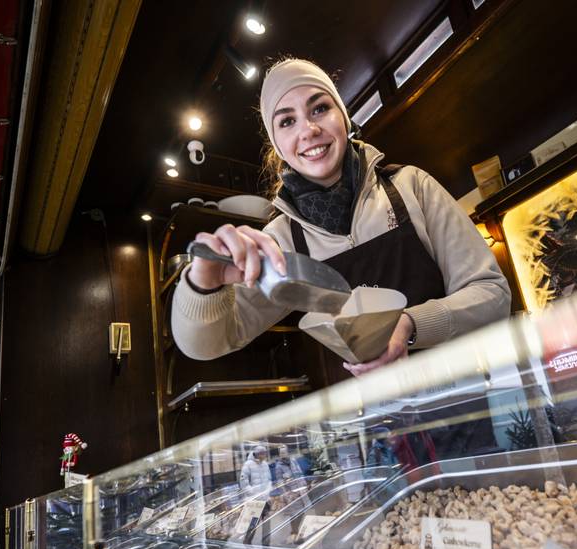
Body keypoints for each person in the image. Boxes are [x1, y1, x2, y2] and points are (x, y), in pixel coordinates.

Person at [172, 58, 510, 378]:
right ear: (278, 145)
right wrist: (204, 281)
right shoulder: (282, 242)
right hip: (379, 428)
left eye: (320, 108)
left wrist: (410, 324)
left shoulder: (410, 187)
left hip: (468, 399)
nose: (308, 129)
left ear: (343, 117)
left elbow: (491, 295)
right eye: (287, 121)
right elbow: (207, 344)